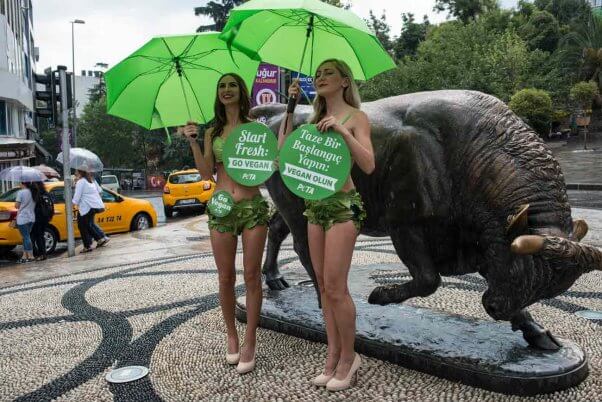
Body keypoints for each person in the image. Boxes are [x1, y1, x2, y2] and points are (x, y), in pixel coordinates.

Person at [279, 59, 375, 391]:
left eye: (328, 73)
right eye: (317, 74)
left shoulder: (356, 117)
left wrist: (342, 131)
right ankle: (332, 355)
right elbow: (282, 156)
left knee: (336, 287)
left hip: (342, 207)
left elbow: (368, 163)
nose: (320, 78)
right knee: (322, 287)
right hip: (314, 209)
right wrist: (291, 108)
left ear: (345, 81)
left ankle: (350, 357)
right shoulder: (312, 120)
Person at [183, 73, 269, 375]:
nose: (227, 90)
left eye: (232, 85)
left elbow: (265, 170)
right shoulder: (211, 132)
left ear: (241, 91)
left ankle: (249, 340)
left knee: (252, 275)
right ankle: (231, 335)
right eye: (222, 86)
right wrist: (194, 142)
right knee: (224, 277)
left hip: (252, 206)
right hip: (221, 207)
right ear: (217, 93)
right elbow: (207, 174)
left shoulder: (256, 129)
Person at [72, 170, 109, 252]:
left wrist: (71, 205)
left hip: (86, 207)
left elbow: (77, 197)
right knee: (87, 225)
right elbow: (99, 190)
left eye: (76, 172)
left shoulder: (81, 182)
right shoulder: (90, 180)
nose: (75, 174)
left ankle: (92, 243)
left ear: (80, 173)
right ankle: (99, 239)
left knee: (83, 226)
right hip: (93, 206)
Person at [15, 181, 39, 263]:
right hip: (31, 218)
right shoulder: (33, 192)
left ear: (23, 184)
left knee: (26, 237)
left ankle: (31, 256)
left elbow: (16, 206)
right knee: (26, 237)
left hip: (22, 218)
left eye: (20, 183)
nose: (19, 184)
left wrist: (19, 203)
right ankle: (24, 256)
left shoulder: (21, 192)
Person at [31, 181, 53, 261]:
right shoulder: (45, 193)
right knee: (40, 236)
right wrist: (50, 217)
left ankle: (41, 254)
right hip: (45, 218)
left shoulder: (35, 194)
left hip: (38, 218)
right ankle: (41, 254)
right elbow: (51, 205)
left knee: (38, 236)